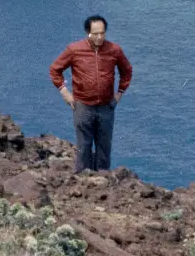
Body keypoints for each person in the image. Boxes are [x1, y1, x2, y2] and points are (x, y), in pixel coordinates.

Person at [49, 15, 133, 172]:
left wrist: (119, 93)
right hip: (83, 106)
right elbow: (55, 69)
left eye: (102, 33)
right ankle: (82, 179)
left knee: (104, 146)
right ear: (88, 32)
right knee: (84, 145)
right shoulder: (74, 50)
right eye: (96, 34)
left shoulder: (114, 50)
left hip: (106, 106)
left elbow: (127, 71)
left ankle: (103, 180)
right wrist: (64, 92)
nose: (100, 37)